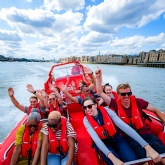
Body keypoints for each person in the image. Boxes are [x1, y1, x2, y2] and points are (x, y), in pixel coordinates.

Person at [95, 68, 165, 164]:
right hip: (129, 137)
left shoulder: (138, 102)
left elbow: (155, 110)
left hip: (146, 134)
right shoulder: (114, 103)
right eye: (123, 94)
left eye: (129, 93)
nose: (127, 96)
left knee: (162, 155)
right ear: (118, 95)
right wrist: (98, 78)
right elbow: (100, 92)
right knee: (145, 161)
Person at [82, 97, 161, 165]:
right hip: (103, 142)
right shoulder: (86, 120)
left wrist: (147, 147)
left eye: (89, 106)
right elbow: (97, 140)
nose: (87, 110)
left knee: (132, 160)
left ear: (96, 105)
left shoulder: (107, 111)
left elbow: (125, 128)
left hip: (116, 138)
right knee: (114, 162)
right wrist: (114, 159)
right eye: (84, 108)